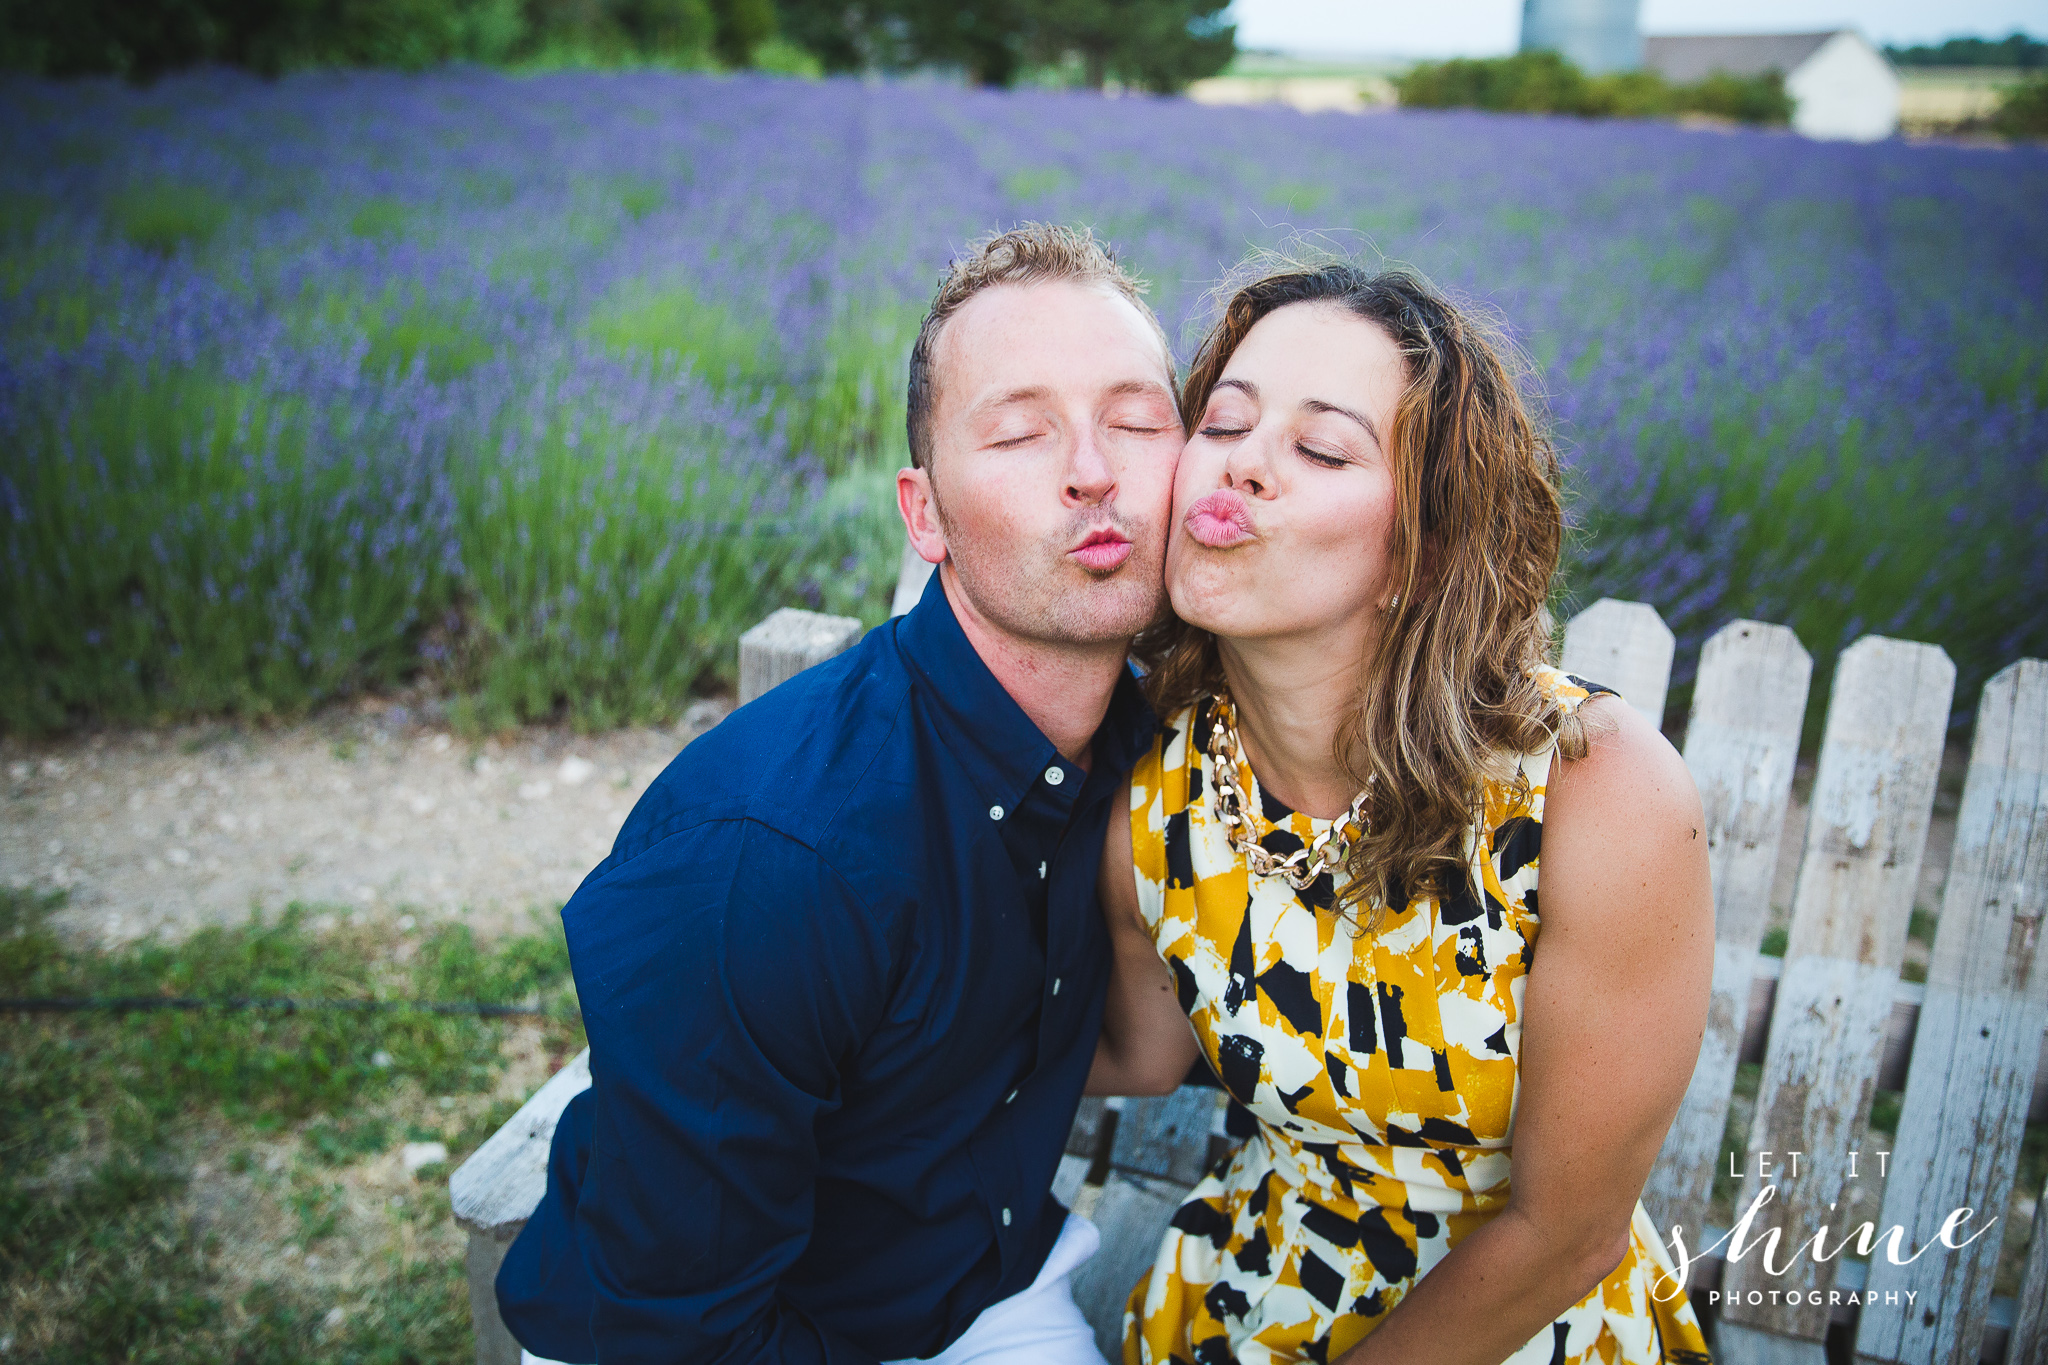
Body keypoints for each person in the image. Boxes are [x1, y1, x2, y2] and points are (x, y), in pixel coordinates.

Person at [494, 223, 1184, 1364]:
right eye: (1018, 431)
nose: (1092, 469)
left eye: (1136, 421)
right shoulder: (769, 864)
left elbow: (1127, 1048)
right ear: (925, 518)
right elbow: (678, 1329)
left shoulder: (1141, 747)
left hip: (975, 1284)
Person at [1086, 260, 1717, 1365]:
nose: (1242, 463)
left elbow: (1565, 1234)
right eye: (1222, 423)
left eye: (1320, 448)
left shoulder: (1592, 796)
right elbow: (1136, 1053)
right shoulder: (1155, 798)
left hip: (1525, 1329)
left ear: (1417, 554)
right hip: (1245, 1302)